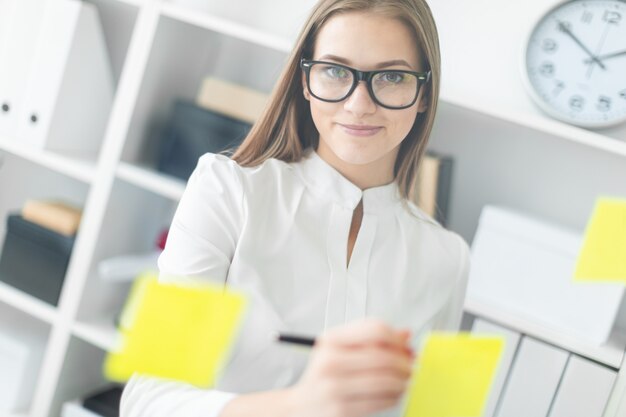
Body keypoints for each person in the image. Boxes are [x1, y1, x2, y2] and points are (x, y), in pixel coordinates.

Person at [120, 0, 470, 416]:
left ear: (424, 93)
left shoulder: (447, 258)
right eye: (336, 71)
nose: (359, 104)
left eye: (392, 76)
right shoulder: (230, 192)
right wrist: (301, 405)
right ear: (306, 81)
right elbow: (148, 400)